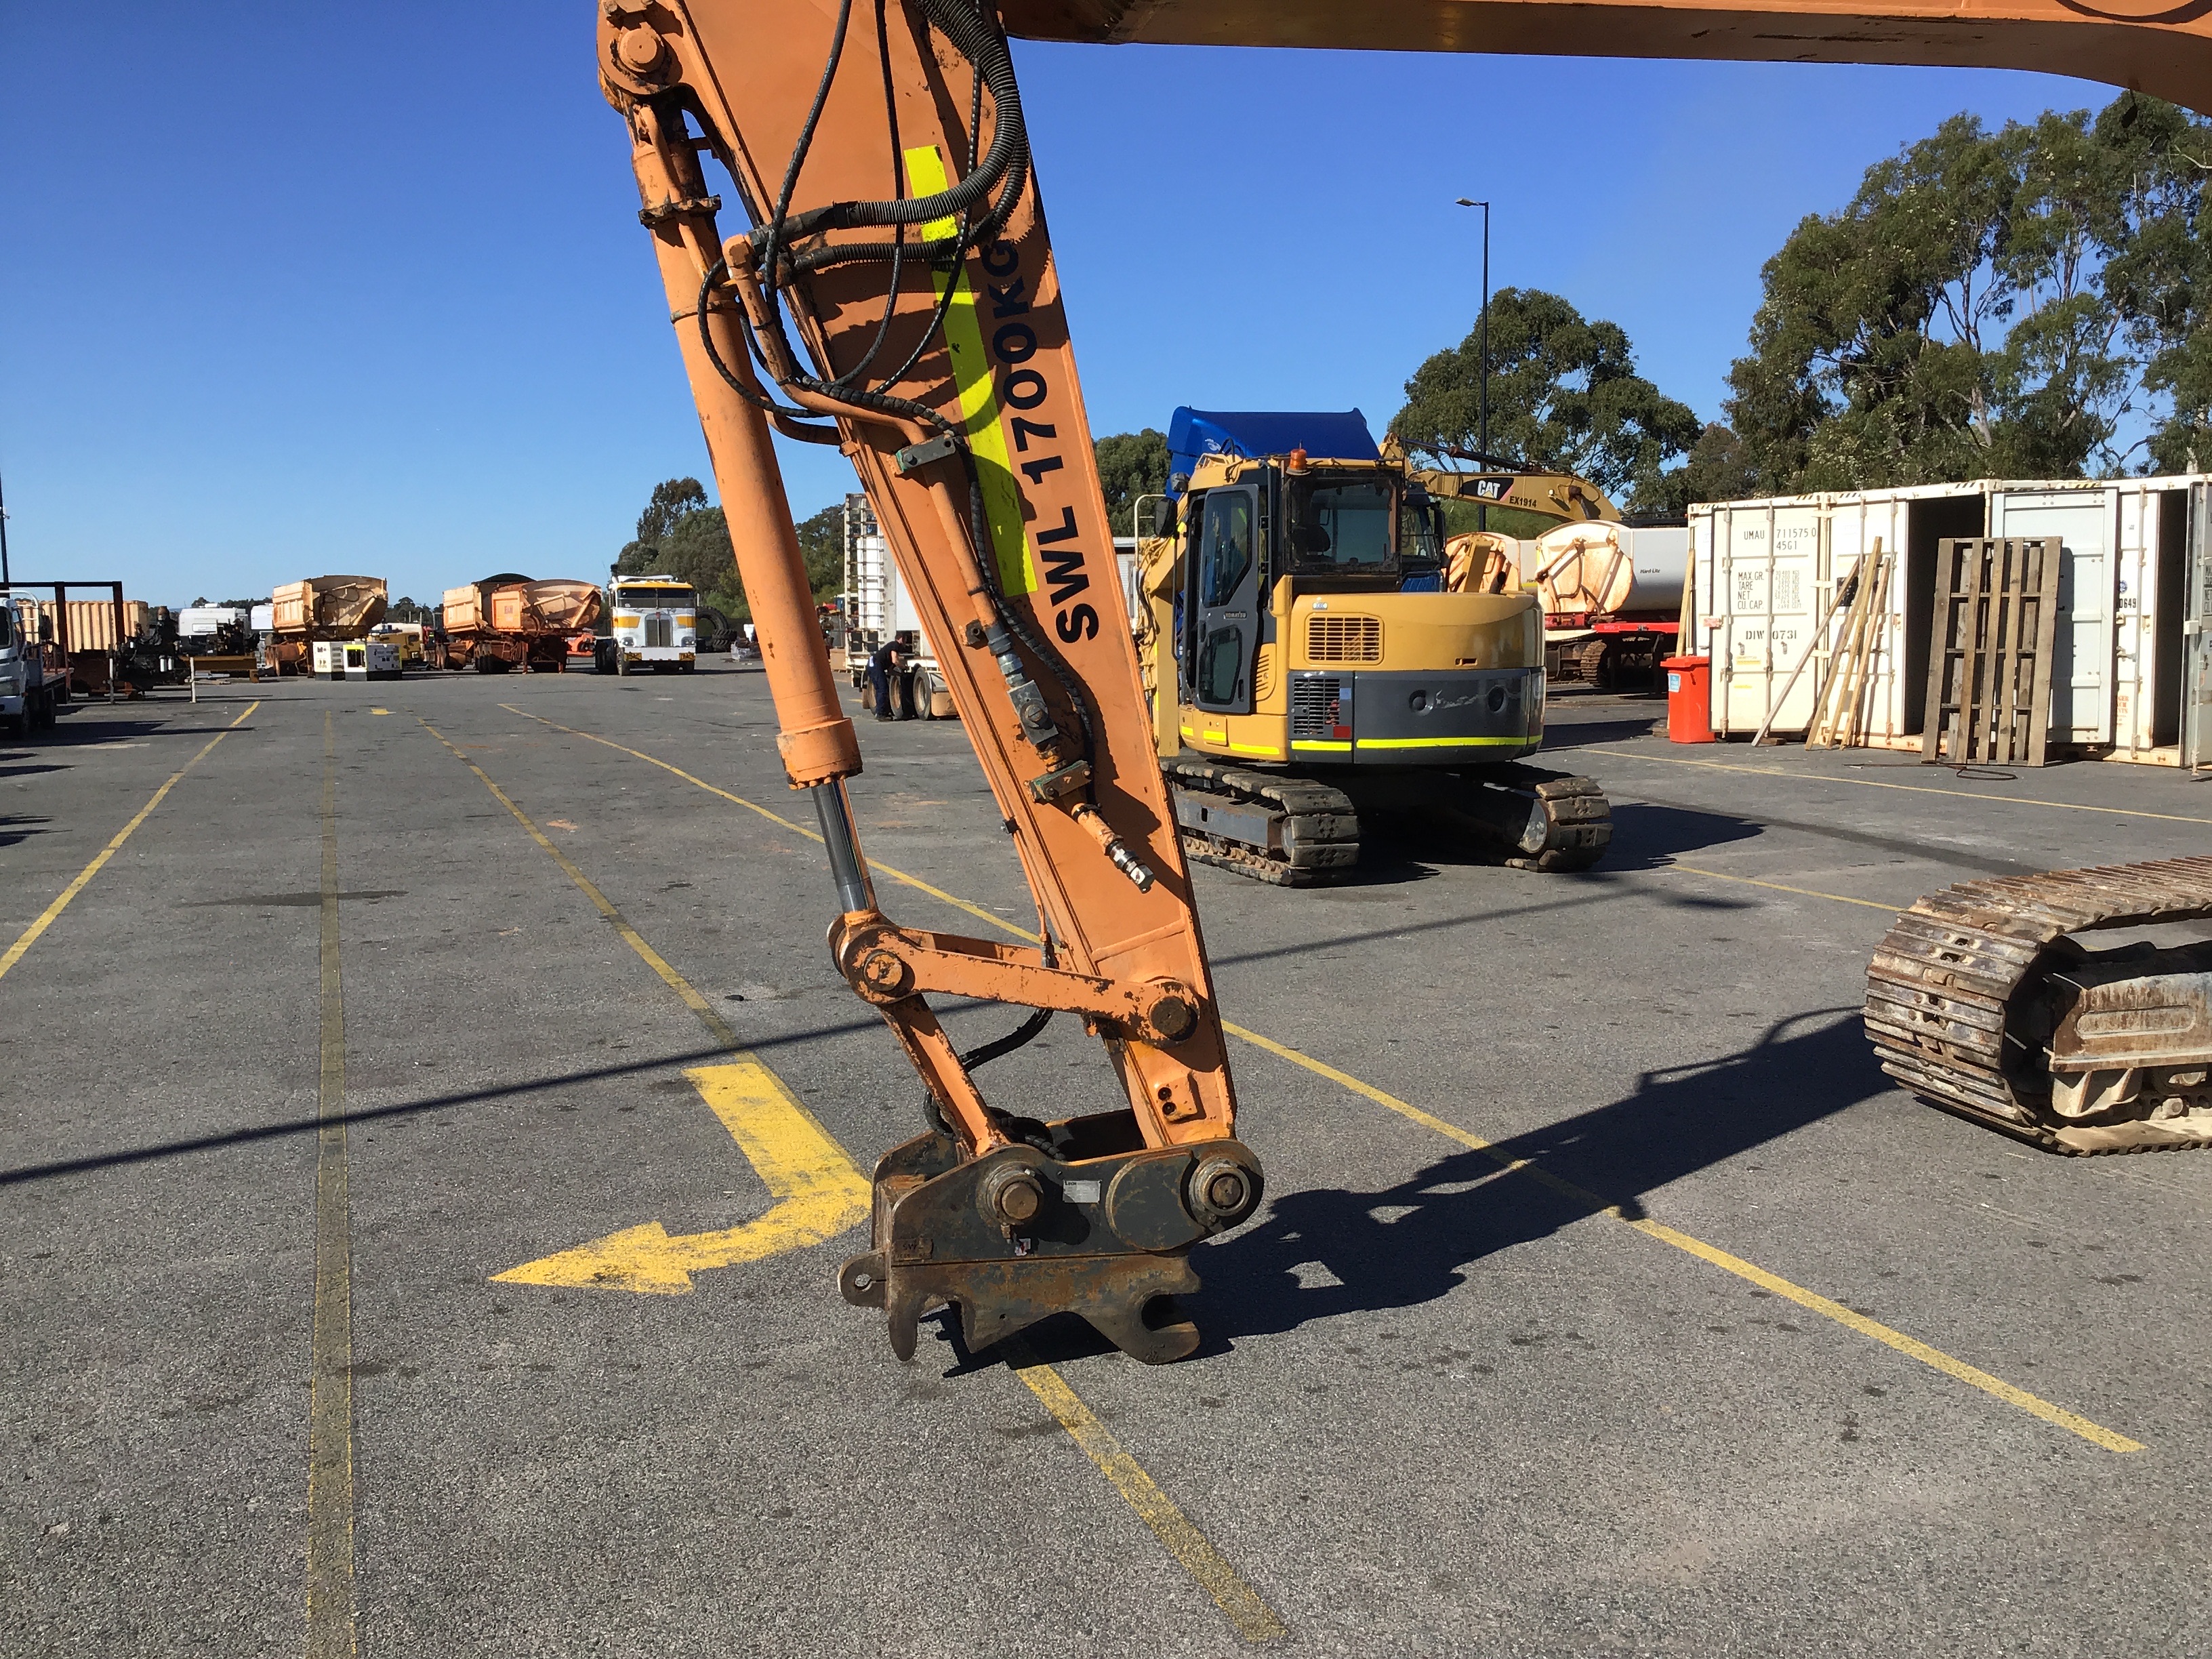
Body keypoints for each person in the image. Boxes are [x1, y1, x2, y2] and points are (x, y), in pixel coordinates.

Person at [866, 636, 904, 721]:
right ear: (899, 638)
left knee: (882, 689)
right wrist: (903, 667)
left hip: (873, 664)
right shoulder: (895, 644)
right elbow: (895, 660)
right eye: (904, 638)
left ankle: (883, 712)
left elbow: (890, 671)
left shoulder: (890, 649)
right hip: (875, 664)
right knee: (882, 689)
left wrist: (900, 675)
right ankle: (880, 714)